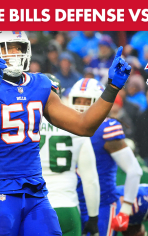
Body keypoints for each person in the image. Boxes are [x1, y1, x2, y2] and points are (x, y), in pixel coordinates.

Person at [0, 31, 131, 235]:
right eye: (9, 47)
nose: (16, 53)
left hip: (35, 192)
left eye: (19, 47)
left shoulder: (40, 84)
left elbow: (84, 126)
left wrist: (112, 87)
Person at [71, 78, 142, 235]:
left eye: (87, 101)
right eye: (78, 100)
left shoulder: (106, 129)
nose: (81, 105)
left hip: (101, 207)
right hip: (72, 205)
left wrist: (125, 210)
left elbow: (134, 170)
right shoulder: (64, 125)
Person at [40, 74, 100, 236]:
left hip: (33, 205)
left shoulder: (23, 123)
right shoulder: (74, 123)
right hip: (66, 205)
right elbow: (90, 180)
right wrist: (93, 218)